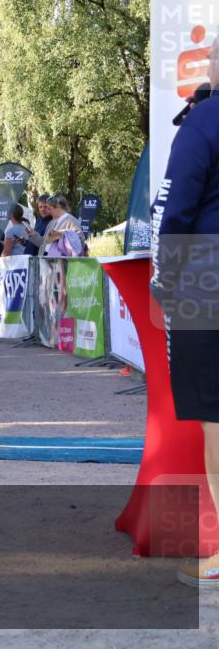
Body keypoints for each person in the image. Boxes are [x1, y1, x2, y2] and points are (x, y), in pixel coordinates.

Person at [151, 34, 219, 588]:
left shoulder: (201, 123)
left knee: (217, 416)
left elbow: (177, 211)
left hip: (208, 281)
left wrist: (164, 278)